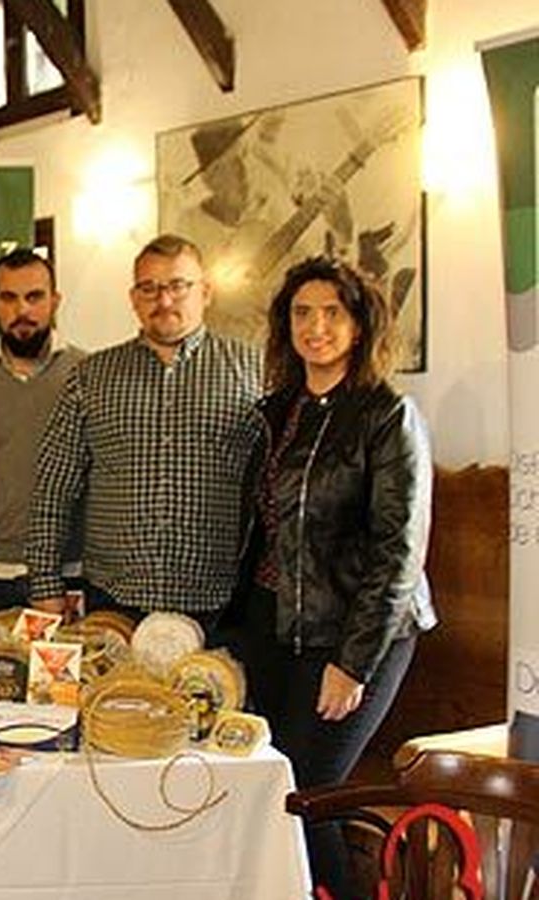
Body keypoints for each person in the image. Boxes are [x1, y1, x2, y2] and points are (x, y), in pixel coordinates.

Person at [232, 256, 435, 894]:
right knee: (267, 783)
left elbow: (397, 554)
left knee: (305, 793)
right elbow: (262, 534)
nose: (315, 326)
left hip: (355, 634)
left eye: (332, 312)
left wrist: (355, 662)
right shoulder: (277, 412)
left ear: (358, 324)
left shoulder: (386, 415)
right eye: (301, 312)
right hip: (277, 632)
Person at [27, 234, 260, 630]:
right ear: (133, 298)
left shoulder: (255, 372)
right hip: (114, 601)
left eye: (177, 286)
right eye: (149, 288)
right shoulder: (91, 376)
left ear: (205, 292)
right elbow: (53, 484)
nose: (163, 300)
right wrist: (45, 585)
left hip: (221, 602)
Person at [0, 249, 85, 614]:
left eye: (34, 297)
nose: (22, 310)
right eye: (9, 298)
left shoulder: (91, 374)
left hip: (71, 571)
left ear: (55, 300)